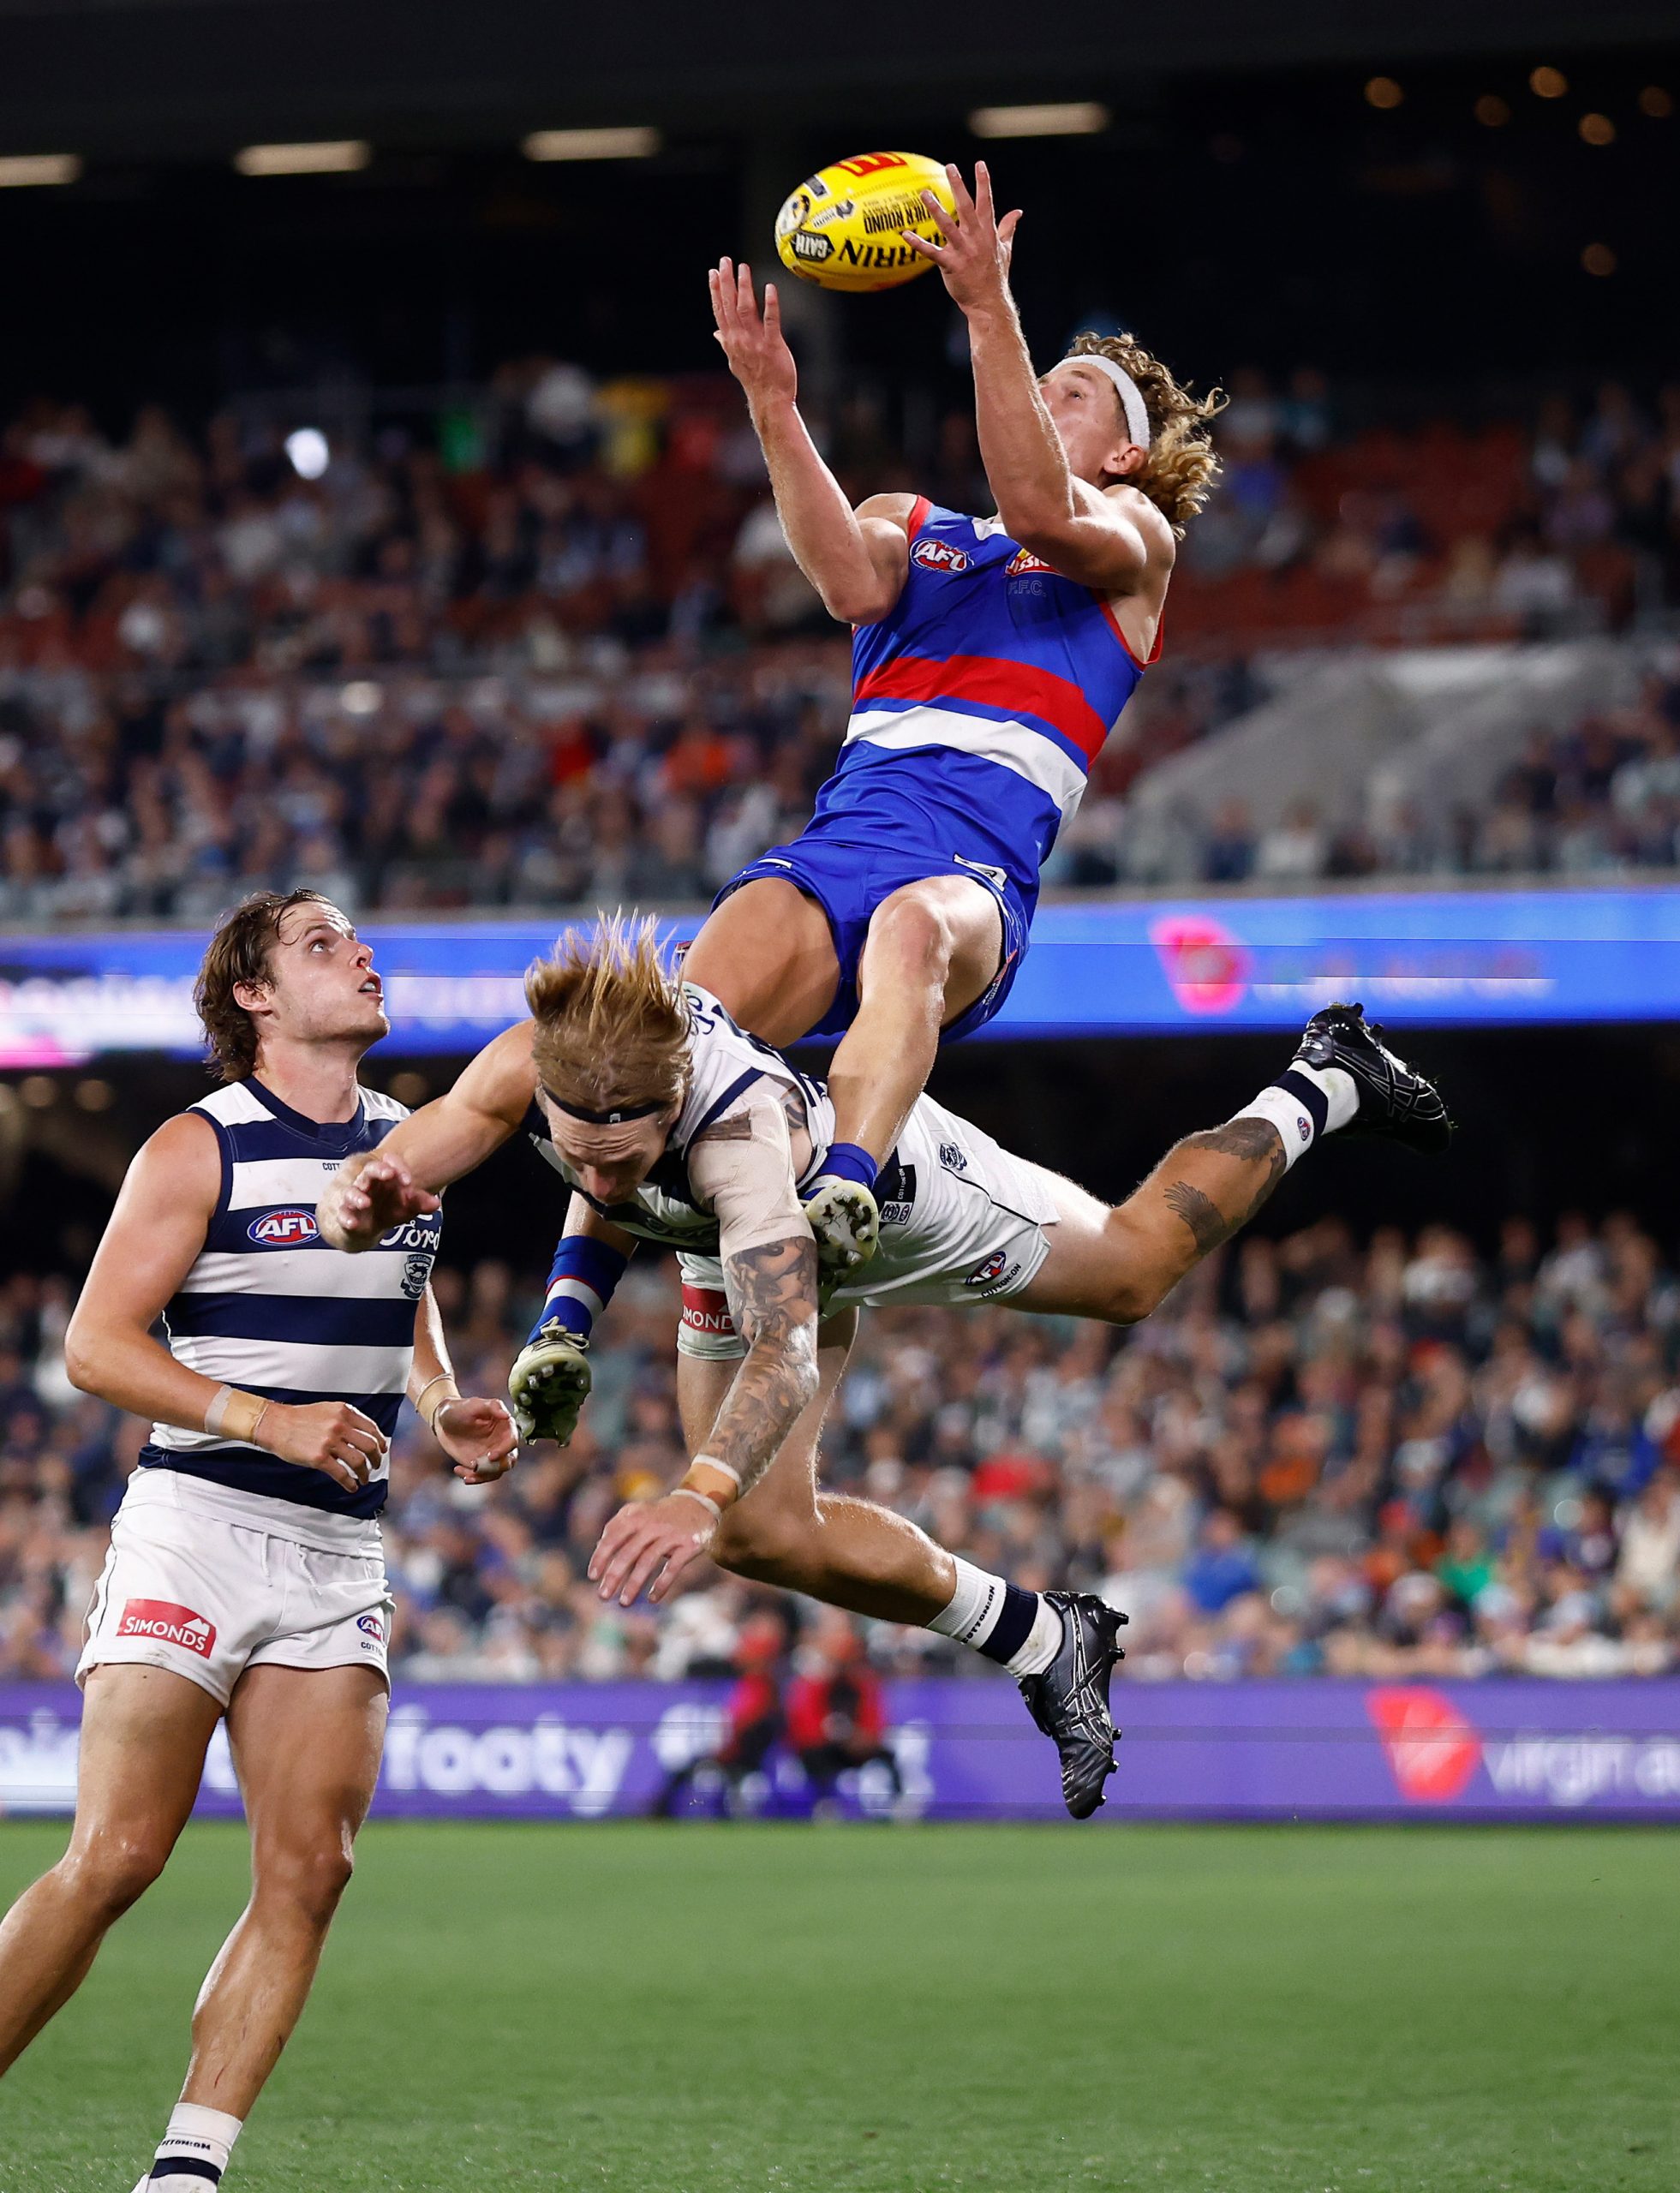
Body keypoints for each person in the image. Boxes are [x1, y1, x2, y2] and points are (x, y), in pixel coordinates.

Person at [317, 920, 1450, 1814]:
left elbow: (786, 1347)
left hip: (893, 1210)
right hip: (725, 1245)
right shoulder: (529, 1066)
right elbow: (396, 1171)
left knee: (1133, 1271)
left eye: (625, 1158)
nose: (600, 1184)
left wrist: (689, 1492)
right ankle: (1047, 1639)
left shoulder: (736, 1139)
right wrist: (353, 1200)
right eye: (581, 1161)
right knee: (764, 1537)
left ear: (668, 1107)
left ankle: (1326, 1080)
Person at [0, 889, 517, 2193]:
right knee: (117, 1855)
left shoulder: (411, 1141)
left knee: (313, 1870)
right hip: (198, 1528)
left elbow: (404, 1302)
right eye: (322, 942)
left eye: (359, 939)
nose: (362, 953)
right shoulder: (197, 1145)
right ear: (255, 995)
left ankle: (188, 2169)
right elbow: (94, 1346)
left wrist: (446, 1397)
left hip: (337, 1553)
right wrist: (265, 1420)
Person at [685, 162, 1223, 1278]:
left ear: (1125, 454)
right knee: (669, 1026)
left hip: (966, 885)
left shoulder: (1132, 541)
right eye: (1046, 379)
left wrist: (989, 309)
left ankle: (850, 1179)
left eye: (1069, 392)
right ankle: (571, 1307)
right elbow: (841, 579)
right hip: (838, 852)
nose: (1043, 389)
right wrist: (772, 405)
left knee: (913, 932)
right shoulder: (915, 524)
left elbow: (1035, 503)